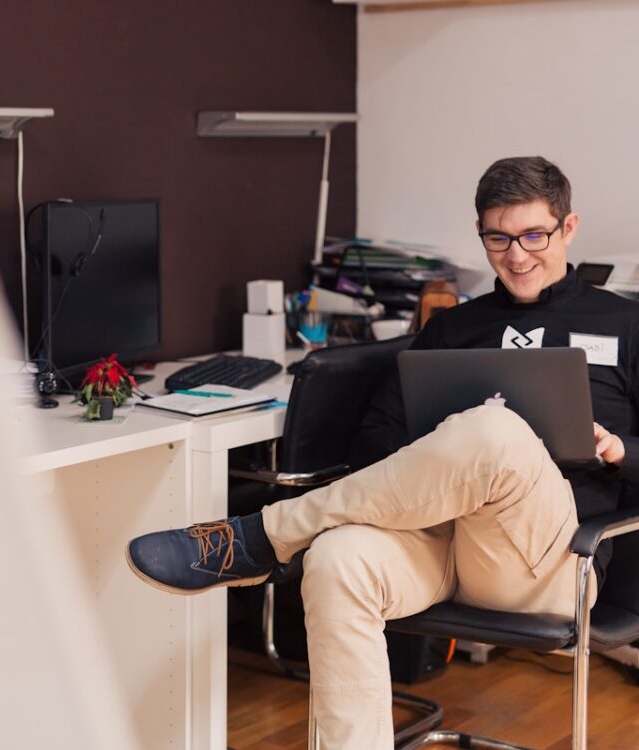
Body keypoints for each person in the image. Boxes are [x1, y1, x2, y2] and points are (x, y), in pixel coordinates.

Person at [126, 156, 639, 749]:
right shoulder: (453, 327)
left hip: (546, 559)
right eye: (498, 238)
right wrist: (439, 448)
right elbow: (375, 438)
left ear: (568, 228)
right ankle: (281, 546)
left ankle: (263, 538)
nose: (517, 255)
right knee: (335, 560)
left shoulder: (625, 324)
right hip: (437, 539)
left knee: (497, 431)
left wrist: (617, 449)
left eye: (533, 236)